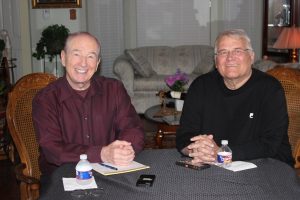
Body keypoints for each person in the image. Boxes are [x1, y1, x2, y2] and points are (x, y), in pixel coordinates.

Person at [176, 29, 294, 167]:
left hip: (267, 165)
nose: (230, 58)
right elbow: (184, 135)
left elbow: (270, 144)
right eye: (223, 52)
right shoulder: (201, 86)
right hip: (213, 164)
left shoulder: (270, 89)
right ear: (215, 60)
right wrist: (195, 149)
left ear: (251, 57)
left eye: (238, 51)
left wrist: (221, 154)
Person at [33, 32, 144, 175]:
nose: (83, 63)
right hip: (64, 175)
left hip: (110, 170)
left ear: (97, 63)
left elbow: (133, 129)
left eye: (91, 56)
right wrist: (102, 154)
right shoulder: (45, 99)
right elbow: (53, 150)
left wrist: (123, 150)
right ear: (63, 58)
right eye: (76, 54)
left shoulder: (114, 89)